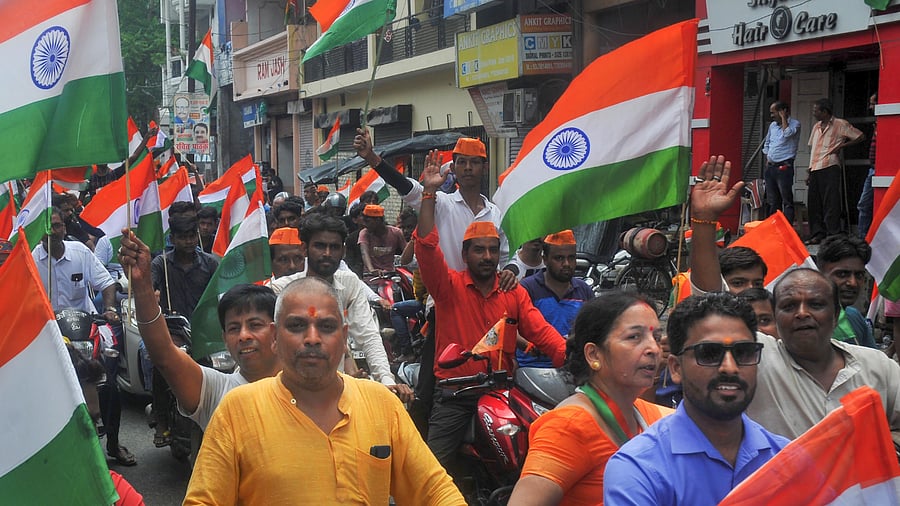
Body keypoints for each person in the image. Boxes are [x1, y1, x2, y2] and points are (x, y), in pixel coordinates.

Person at [183, 277, 466, 505]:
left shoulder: (381, 403)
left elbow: (434, 492)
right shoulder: (238, 409)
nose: (313, 338)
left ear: (344, 338)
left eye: (327, 327)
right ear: (275, 336)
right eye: (297, 326)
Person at [413, 148, 567, 477]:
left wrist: (579, 364)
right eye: (479, 250)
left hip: (505, 391)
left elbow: (543, 334)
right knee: (429, 473)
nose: (487, 256)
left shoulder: (513, 292)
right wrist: (428, 192)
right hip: (457, 395)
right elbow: (426, 245)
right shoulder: (447, 288)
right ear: (465, 254)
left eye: (492, 250)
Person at [603, 292, 790, 505]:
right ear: (676, 368)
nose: (729, 367)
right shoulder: (639, 468)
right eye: (709, 353)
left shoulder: (786, 458)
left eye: (744, 352)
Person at [509, 293, 672, 505]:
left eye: (656, 338)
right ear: (594, 354)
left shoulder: (644, 412)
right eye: (634, 337)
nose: (654, 349)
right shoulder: (568, 426)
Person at [118, 229, 282, 431]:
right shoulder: (217, 391)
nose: (244, 336)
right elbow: (165, 356)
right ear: (224, 338)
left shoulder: (308, 389)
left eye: (255, 325)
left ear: (277, 332)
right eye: (233, 328)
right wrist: (142, 286)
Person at [746, 268, 900, 447]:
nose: (802, 313)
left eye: (816, 304)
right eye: (789, 306)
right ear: (775, 317)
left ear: (836, 315)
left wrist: (881, 448)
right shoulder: (757, 359)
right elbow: (710, 305)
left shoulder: (877, 365)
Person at [269, 213, 413, 401]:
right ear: (305, 249)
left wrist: (385, 379)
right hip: (289, 391)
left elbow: (368, 334)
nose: (327, 253)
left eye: (334, 247)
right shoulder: (280, 289)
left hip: (333, 389)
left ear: (343, 251)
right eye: (320, 246)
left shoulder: (349, 283)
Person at [66, 343, 145, 505]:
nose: (93, 436)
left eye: (94, 421)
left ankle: (114, 444)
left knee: (111, 387)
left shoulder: (113, 494)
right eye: (75, 425)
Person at [518, 230, 593, 367]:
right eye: (559, 258)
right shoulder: (527, 288)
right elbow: (510, 330)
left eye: (571, 258)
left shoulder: (584, 291)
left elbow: (594, 329)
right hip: (532, 368)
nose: (566, 264)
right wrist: (528, 346)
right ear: (545, 259)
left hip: (572, 368)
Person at [33, 206, 118, 318]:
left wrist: (110, 310)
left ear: (64, 228)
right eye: (47, 227)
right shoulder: (31, 260)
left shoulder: (81, 252)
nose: (51, 232)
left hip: (85, 325)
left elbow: (107, 283)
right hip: (49, 328)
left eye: (56, 226)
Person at [806, 98, 865, 244]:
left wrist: (842, 146)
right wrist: (809, 171)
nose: (814, 113)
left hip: (830, 166)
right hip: (815, 167)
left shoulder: (840, 124)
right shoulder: (816, 127)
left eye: (816, 110)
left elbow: (860, 136)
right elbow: (812, 149)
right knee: (814, 203)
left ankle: (833, 233)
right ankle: (817, 234)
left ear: (825, 112)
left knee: (831, 202)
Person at [151, 213, 219, 318]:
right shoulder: (161, 263)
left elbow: (219, 295)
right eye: (182, 238)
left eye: (192, 237)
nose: (188, 241)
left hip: (203, 325)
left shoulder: (210, 263)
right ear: (172, 239)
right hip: (173, 327)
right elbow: (148, 289)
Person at [816, 234, 877, 348]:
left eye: (859, 275)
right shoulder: (807, 324)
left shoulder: (853, 316)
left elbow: (875, 362)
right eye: (842, 274)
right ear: (819, 275)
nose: (853, 283)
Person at [762, 101, 801, 224]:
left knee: (786, 200)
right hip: (771, 167)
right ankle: (774, 228)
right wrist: (767, 156)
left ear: (782, 111)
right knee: (773, 200)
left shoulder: (795, 124)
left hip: (784, 167)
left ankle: (787, 228)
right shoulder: (772, 126)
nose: (772, 116)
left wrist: (784, 118)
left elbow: (787, 133)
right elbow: (767, 143)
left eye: (774, 112)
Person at [359, 204, 406, 274]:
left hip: (391, 275)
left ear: (378, 220)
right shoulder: (364, 233)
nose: (364, 224)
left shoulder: (396, 233)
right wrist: (371, 270)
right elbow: (364, 253)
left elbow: (406, 252)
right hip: (370, 277)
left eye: (367, 221)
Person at [857, 93, 878, 240]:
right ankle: (863, 238)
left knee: (867, 204)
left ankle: (865, 238)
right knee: (864, 204)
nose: (870, 107)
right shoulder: (878, 122)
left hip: (879, 170)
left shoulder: (886, 121)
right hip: (873, 169)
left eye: (873, 103)